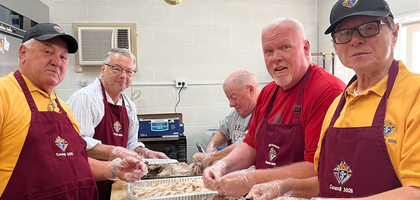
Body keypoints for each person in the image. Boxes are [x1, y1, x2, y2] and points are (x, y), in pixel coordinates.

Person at [246, 0, 420, 199]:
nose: (355, 40)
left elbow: (416, 191)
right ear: (335, 45)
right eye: (344, 34)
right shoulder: (339, 105)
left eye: (369, 28)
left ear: (395, 33)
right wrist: (283, 187)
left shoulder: (415, 95)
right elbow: (327, 181)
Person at [202, 18, 346, 198]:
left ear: (306, 48)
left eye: (285, 47)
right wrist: (223, 165)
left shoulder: (328, 91)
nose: (275, 58)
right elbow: (251, 144)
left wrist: (251, 179)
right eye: (268, 51)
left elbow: (315, 168)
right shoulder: (268, 92)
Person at [0, 23, 147, 200]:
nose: (56, 61)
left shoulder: (63, 109)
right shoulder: (3, 95)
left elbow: (74, 162)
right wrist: (115, 152)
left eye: (63, 57)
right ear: (23, 53)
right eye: (48, 52)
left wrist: (115, 169)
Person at [66, 48, 168, 200]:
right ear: (103, 68)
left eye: (129, 71)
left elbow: (130, 143)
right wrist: (117, 152)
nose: (123, 75)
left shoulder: (129, 106)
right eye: (117, 69)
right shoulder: (85, 99)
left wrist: (145, 152)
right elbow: (78, 145)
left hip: (116, 181)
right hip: (88, 184)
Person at [192, 70, 261, 168]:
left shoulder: (265, 113)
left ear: (251, 90)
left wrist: (212, 158)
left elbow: (245, 144)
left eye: (234, 97)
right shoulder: (236, 112)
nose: (231, 104)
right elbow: (224, 131)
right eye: (229, 99)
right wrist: (212, 146)